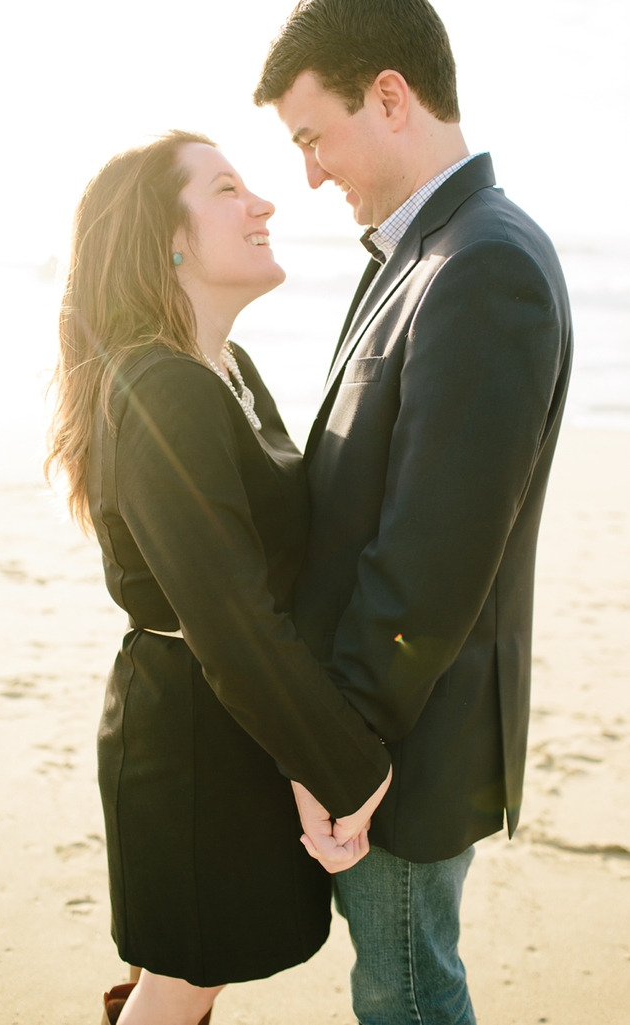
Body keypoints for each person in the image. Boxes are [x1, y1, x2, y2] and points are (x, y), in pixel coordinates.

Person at [254, 1, 573, 1022]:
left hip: (398, 755)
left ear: (387, 97)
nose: (307, 173)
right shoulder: (416, 253)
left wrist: (339, 755)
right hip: (379, 734)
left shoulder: (481, 266)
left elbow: (427, 562)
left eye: (312, 136)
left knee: (408, 992)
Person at [45, 130, 392, 1025]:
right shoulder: (163, 387)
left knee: (196, 974)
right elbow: (230, 613)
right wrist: (343, 765)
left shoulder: (224, 369)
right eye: (228, 189)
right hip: (193, 741)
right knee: (182, 981)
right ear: (166, 235)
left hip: (229, 723)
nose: (265, 203)